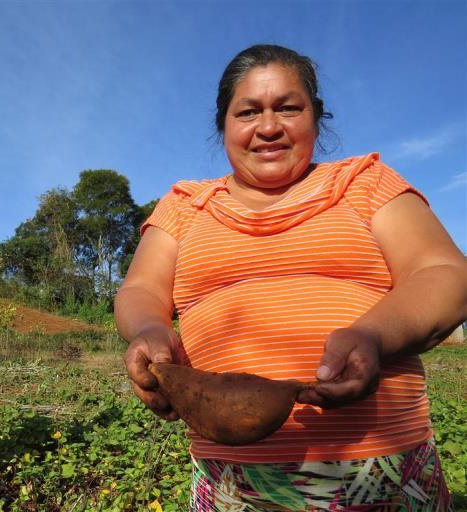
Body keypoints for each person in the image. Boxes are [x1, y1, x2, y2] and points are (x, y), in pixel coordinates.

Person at [116, 44, 466, 511]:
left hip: (377, 471)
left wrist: (372, 336)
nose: (268, 127)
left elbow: (444, 273)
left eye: (288, 107)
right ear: (223, 124)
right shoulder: (183, 206)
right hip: (229, 482)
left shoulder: (364, 182)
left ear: (316, 118)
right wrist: (148, 329)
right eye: (248, 112)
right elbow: (141, 289)